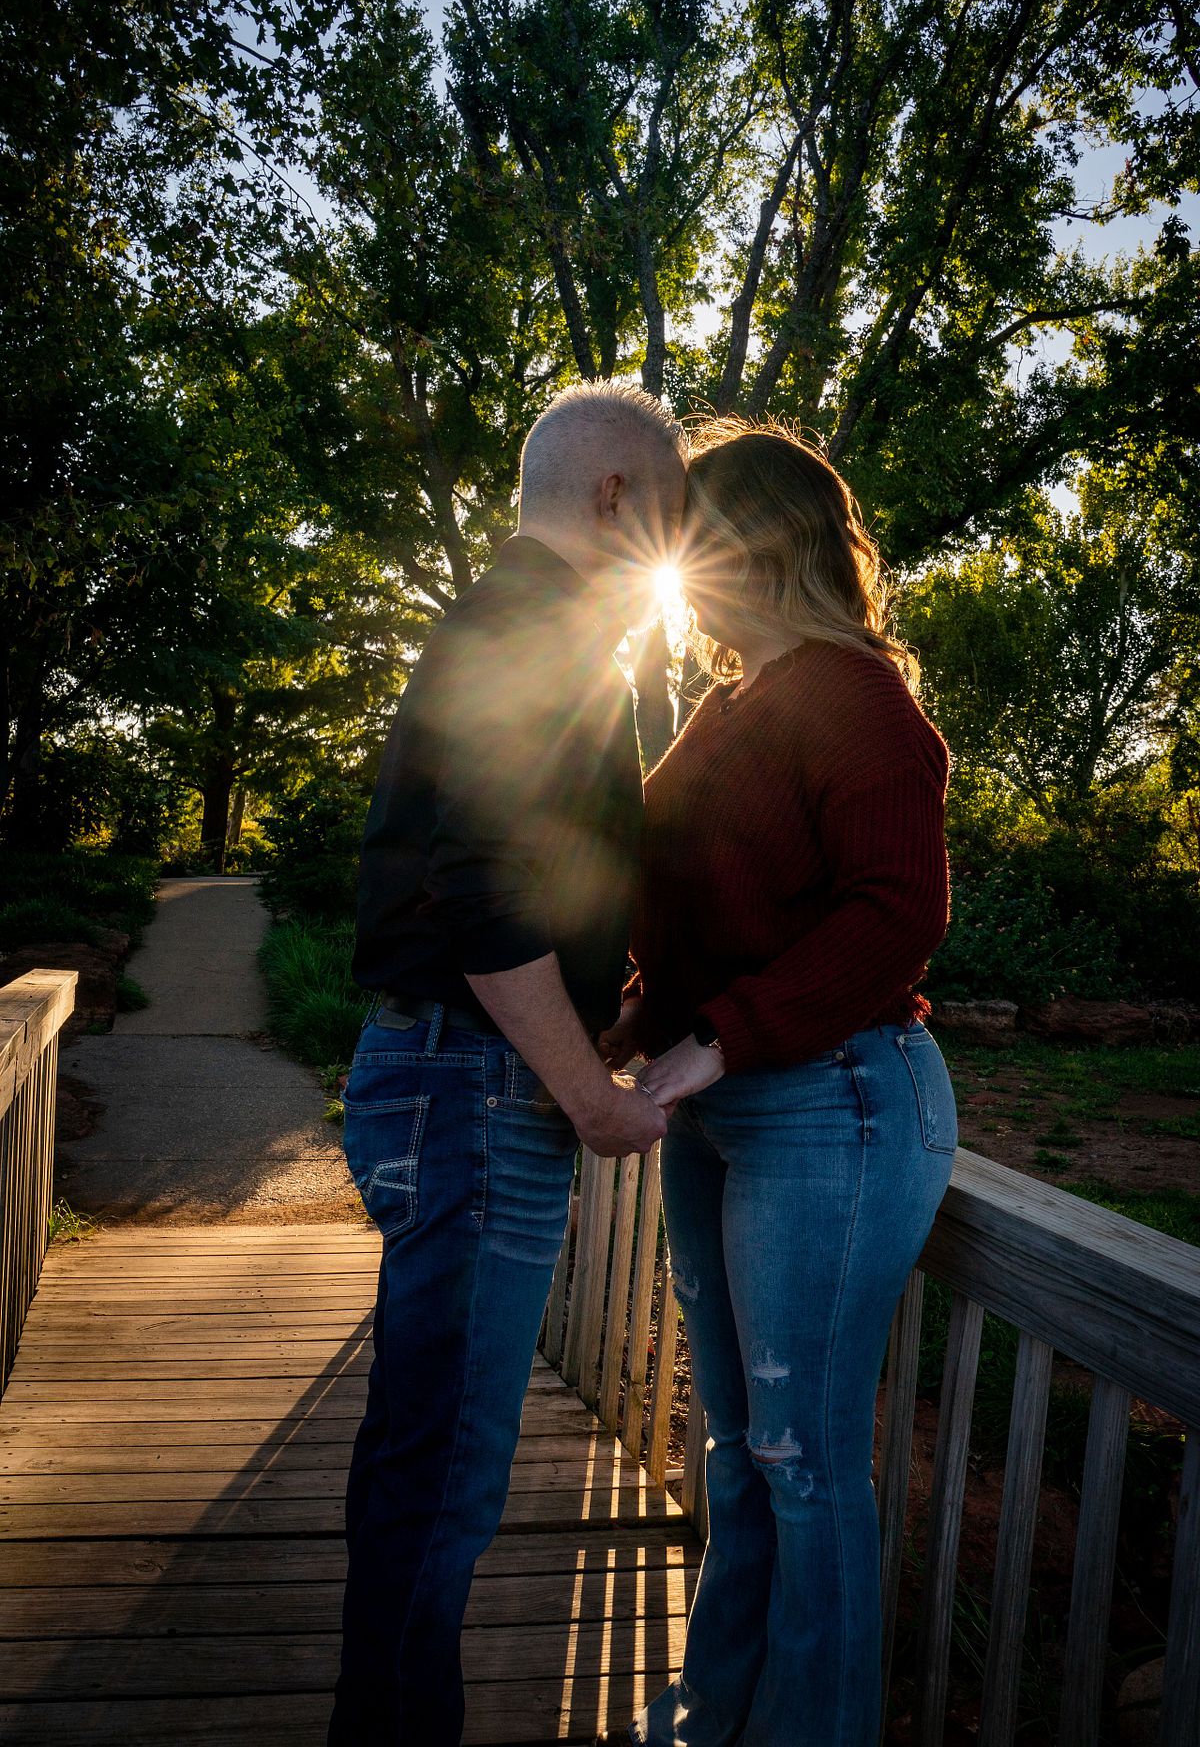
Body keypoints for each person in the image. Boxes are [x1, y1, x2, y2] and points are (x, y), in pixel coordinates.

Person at [329, 380, 686, 1747]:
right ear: (614, 500)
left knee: (433, 1459)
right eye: (669, 510)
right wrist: (589, 1094)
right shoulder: (536, 627)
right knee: (445, 1469)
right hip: (476, 1087)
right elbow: (481, 896)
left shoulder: (508, 623)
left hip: (454, 1083)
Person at [599, 416, 957, 1747]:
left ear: (761, 544)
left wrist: (720, 1037)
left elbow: (893, 916)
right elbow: (710, 902)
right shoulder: (728, 699)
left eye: (695, 528)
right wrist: (644, 1016)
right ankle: (715, 1712)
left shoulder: (860, 698)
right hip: (731, 1105)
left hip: (838, 1102)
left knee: (802, 1464)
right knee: (742, 1457)